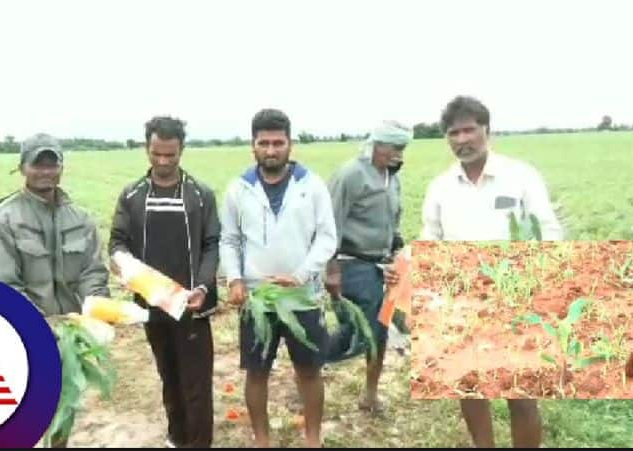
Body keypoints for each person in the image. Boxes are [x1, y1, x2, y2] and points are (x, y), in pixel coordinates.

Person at [420, 95, 564, 448]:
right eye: (454, 133)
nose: (462, 140)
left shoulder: (520, 177)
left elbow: (549, 231)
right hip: (462, 300)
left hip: (515, 299)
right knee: (469, 384)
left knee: (521, 392)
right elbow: (430, 237)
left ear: (487, 130)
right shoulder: (440, 187)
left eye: (469, 130)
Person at [0, 132, 111, 447]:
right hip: (23, 333)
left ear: (62, 168)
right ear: (23, 167)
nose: (46, 171)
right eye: (38, 164)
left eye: (53, 164)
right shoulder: (3, 221)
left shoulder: (79, 218)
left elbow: (93, 270)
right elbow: (3, 288)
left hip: (69, 335)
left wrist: (94, 309)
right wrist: (41, 325)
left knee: (64, 407)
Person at [219, 108, 337, 448]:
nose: (271, 150)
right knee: (257, 372)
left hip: (303, 296)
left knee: (310, 370)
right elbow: (230, 239)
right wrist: (234, 279)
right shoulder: (239, 189)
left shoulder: (311, 185)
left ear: (290, 144)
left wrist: (301, 274)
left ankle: (313, 437)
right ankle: (262, 440)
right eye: (264, 143)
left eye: (278, 143)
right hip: (258, 301)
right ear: (252, 145)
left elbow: (327, 237)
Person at [108, 116, 220, 448]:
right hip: (152, 305)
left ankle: (199, 442)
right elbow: (117, 242)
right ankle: (177, 436)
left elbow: (212, 244)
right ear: (147, 148)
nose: (163, 161)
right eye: (156, 153)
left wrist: (202, 287)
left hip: (192, 305)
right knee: (168, 375)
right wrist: (124, 267)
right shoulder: (132, 196)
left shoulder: (200, 195)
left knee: (196, 382)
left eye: (170, 155)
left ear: (181, 150)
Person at [323, 120, 412, 413]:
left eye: (403, 148)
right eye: (394, 147)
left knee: (381, 330)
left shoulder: (391, 177)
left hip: (383, 265)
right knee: (359, 331)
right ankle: (310, 360)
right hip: (352, 262)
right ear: (377, 144)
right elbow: (329, 222)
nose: (399, 153)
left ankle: (369, 395)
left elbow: (390, 221)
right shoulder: (350, 175)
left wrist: (396, 246)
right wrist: (331, 268)